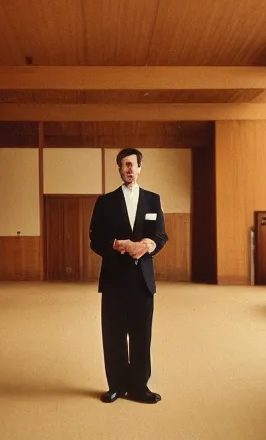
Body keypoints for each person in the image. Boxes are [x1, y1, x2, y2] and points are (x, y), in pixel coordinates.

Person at [89, 148, 168, 404]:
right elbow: (95, 238)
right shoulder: (105, 202)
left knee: (141, 334)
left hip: (142, 279)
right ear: (119, 169)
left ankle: (139, 386)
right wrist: (116, 244)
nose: (129, 169)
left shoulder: (152, 200)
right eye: (124, 165)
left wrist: (147, 246)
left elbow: (160, 235)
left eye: (133, 165)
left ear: (140, 168)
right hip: (114, 278)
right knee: (113, 333)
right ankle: (116, 385)